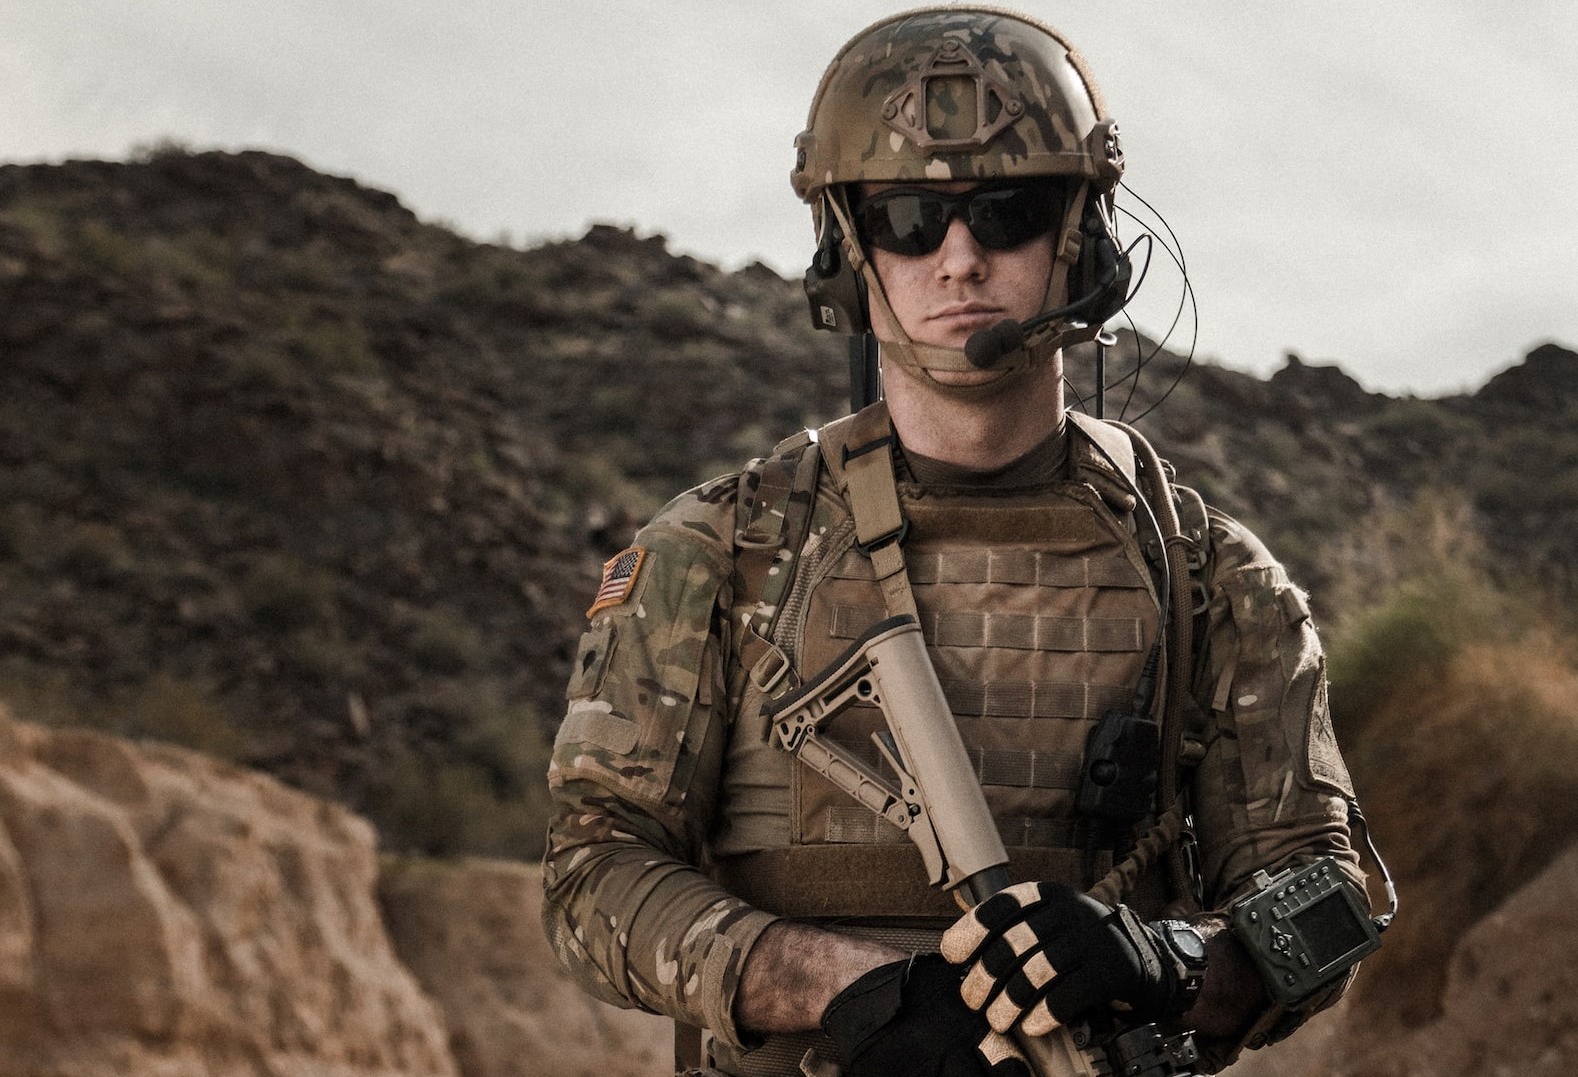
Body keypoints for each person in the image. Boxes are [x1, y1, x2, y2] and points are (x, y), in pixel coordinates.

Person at [543, 8, 1371, 1076]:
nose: (961, 259)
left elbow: (1323, 904)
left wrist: (1161, 957)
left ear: (1080, 235)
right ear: (851, 248)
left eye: (1008, 209)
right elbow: (590, 874)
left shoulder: (1208, 573)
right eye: (907, 218)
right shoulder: (719, 553)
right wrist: (850, 992)